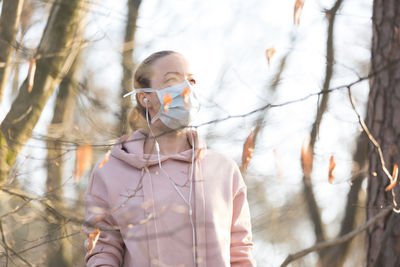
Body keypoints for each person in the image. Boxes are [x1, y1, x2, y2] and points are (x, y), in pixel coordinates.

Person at [84, 50, 256, 267]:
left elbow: (240, 252)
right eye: (172, 81)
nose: (186, 90)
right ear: (144, 97)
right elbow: (103, 252)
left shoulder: (224, 170)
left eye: (191, 80)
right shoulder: (110, 173)